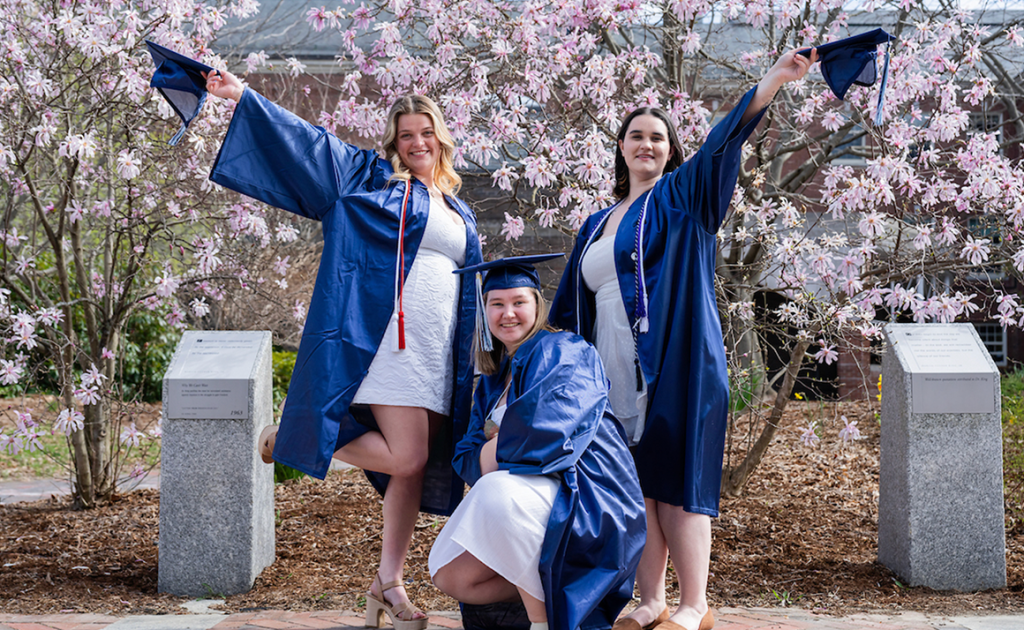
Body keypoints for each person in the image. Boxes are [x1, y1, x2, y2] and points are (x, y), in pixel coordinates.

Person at [203, 70, 483, 630]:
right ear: (393, 144)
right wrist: (244, 96)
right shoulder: (376, 181)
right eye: (406, 135)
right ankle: (295, 440)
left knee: (411, 469)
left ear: (442, 137)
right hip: (389, 342)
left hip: (437, 349)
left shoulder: (457, 206)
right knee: (407, 457)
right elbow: (314, 145)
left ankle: (388, 584)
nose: (417, 143)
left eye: (425, 132)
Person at [549, 49, 819, 630]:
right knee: (636, 484)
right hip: (611, 368)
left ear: (671, 151)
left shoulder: (683, 198)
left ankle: (694, 603)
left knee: (680, 482)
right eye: (635, 136)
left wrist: (771, 81)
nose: (645, 145)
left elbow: (724, 143)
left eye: (657, 137)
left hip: (677, 361)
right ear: (620, 148)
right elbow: (574, 308)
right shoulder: (596, 223)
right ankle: (651, 600)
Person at [429, 255, 646, 630]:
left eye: (518, 302)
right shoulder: (492, 384)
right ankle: (559, 590)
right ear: (484, 312)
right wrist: (499, 442)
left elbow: (545, 433)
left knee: (496, 489)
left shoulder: (563, 350)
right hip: (532, 502)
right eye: (496, 304)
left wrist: (495, 443)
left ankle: (542, 621)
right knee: (450, 575)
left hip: (587, 498)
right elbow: (464, 459)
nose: (507, 313)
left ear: (537, 305)